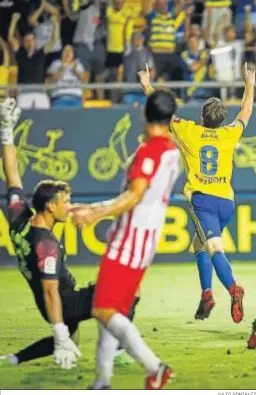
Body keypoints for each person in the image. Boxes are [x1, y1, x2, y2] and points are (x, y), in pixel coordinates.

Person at [0, 98, 139, 369]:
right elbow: (51, 291)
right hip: (64, 301)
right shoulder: (46, 245)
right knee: (126, 288)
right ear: (51, 206)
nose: (70, 205)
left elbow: (12, 175)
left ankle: (12, 360)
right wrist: (60, 333)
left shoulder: (20, 218)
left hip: (51, 302)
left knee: (72, 344)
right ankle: (118, 352)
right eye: (65, 201)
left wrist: (6, 132)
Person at [71, 90, 181, 390]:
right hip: (146, 239)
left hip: (130, 239)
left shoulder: (150, 152)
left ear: (144, 114)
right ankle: (102, 381)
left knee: (102, 310)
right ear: (170, 119)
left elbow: (134, 196)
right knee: (113, 310)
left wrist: (94, 212)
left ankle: (155, 367)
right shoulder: (171, 150)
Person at [138, 62, 255, 322]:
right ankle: (206, 294)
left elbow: (162, 112)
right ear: (222, 119)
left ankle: (234, 289)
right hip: (226, 200)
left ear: (202, 117)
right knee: (199, 244)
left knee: (214, 248)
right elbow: (246, 112)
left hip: (203, 201)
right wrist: (250, 85)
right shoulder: (229, 134)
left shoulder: (189, 131)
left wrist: (147, 84)